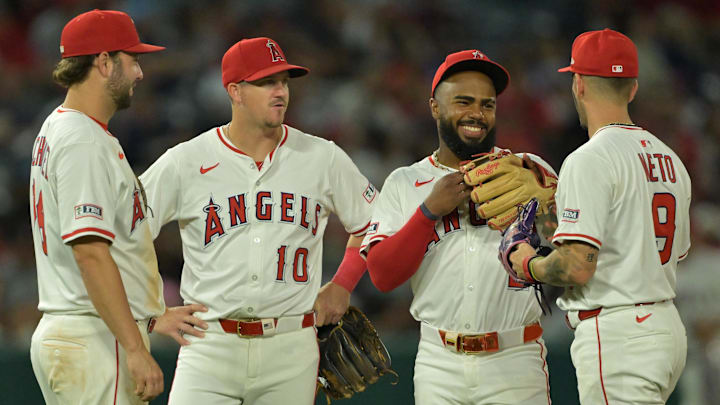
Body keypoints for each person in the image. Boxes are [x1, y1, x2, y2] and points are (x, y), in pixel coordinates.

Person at [139, 37, 376, 405]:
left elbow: (375, 226)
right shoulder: (186, 160)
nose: (280, 91)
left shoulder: (322, 157)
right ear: (235, 91)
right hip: (210, 345)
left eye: (283, 81)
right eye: (266, 82)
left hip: (291, 345)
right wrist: (152, 311)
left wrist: (343, 284)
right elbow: (127, 233)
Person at [28, 9, 208, 405]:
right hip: (94, 337)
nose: (140, 73)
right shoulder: (82, 141)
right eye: (133, 59)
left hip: (82, 331)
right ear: (104, 62)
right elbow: (90, 253)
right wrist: (134, 347)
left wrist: (149, 315)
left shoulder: (62, 126)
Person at [360, 49, 556, 404]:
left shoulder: (528, 171)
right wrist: (428, 212)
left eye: (487, 105)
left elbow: (568, 244)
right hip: (440, 362)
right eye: (463, 102)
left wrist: (548, 206)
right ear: (435, 107)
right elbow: (382, 275)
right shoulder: (406, 182)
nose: (477, 114)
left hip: (515, 359)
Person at [508, 28, 690, 404]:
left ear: (578, 85)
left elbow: (576, 268)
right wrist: (553, 223)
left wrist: (527, 263)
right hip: (665, 329)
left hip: (619, 335)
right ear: (633, 88)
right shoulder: (671, 160)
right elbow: (666, 251)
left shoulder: (588, 159)